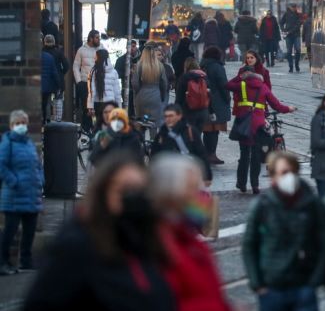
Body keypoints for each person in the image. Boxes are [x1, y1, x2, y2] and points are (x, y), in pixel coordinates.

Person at [23, 154, 175, 310]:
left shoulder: (148, 241)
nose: (132, 199)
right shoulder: (77, 245)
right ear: (103, 193)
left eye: (139, 191)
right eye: (124, 190)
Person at [242, 152, 325, 311]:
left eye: (292, 172)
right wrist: (258, 284)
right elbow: (249, 245)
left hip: (304, 287)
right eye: (283, 173)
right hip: (272, 288)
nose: (288, 177)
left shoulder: (312, 203)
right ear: (273, 177)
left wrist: (315, 280)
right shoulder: (262, 206)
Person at [149, 155, 231, 311]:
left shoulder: (194, 243)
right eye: (192, 189)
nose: (202, 198)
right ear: (169, 194)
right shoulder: (157, 246)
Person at [227, 66, 295, 194]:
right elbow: (276, 105)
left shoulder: (241, 85)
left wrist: (239, 76)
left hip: (244, 124)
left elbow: (227, 85)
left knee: (244, 155)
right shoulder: (263, 86)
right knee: (256, 156)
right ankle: (255, 185)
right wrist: (289, 109)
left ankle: (241, 183)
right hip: (258, 125)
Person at [0, 111, 42, 275]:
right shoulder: (7, 143)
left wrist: (40, 180)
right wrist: (13, 181)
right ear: (11, 126)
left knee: (29, 230)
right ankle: (3, 262)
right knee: (10, 231)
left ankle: (26, 261)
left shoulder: (29, 143)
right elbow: (2, 165)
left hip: (31, 194)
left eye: (23, 122)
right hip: (14, 195)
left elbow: (37, 164)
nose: (21, 126)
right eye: (18, 123)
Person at [151, 104, 212, 184]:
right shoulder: (162, 134)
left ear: (179, 116)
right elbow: (155, 155)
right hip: (168, 175)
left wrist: (207, 176)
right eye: (166, 116)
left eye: (171, 116)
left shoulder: (190, 131)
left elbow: (201, 153)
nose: (168, 119)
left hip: (187, 173)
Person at [200, 46, 230, 165]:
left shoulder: (202, 66)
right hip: (216, 103)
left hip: (204, 102)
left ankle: (207, 153)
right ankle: (211, 154)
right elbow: (223, 85)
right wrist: (227, 98)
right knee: (214, 130)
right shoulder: (217, 67)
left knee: (207, 130)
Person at [133, 44, 169, 136]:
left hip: (142, 96)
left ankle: (141, 145)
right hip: (155, 96)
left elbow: (135, 83)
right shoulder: (160, 66)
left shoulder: (139, 65)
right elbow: (164, 84)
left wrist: (138, 93)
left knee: (141, 124)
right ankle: (153, 145)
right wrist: (162, 96)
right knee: (154, 124)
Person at [73, 29, 104, 132]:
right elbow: (76, 66)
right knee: (86, 109)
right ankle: (86, 131)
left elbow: (106, 64)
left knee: (98, 108)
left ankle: (96, 130)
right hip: (85, 84)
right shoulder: (81, 50)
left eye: (99, 37)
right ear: (91, 38)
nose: (99, 39)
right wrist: (79, 82)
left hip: (98, 83)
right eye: (97, 37)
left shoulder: (101, 48)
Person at [87, 49, 122, 123]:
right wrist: (119, 107)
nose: (94, 58)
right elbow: (117, 92)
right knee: (110, 125)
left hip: (97, 103)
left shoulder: (94, 71)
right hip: (110, 104)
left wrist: (90, 106)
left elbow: (91, 91)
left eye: (96, 57)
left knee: (97, 125)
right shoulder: (114, 72)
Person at [42, 34, 68, 121]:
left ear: (44, 42)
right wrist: (61, 73)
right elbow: (66, 65)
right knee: (58, 100)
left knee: (47, 101)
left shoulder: (42, 52)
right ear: (54, 42)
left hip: (46, 80)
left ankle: (47, 119)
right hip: (58, 79)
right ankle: (58, 120)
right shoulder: (58, 52)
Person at [281, 3, 303, 73]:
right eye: (293, 7)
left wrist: (288, 31)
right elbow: (281, 22)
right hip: (288, 35)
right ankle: (291, 66)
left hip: (296, 34)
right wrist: (283, 30)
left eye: (295, 7)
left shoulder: (298, 14)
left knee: (298, 49)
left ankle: (296, 65)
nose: (294, 8)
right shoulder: (286, 14)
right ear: (290, 7)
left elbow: (299, 24)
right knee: (289, 51)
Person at [40, 42, 59, 124]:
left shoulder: (30, 57)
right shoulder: (49, 57)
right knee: (45, 104)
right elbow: (54, 73)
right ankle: (44, 121)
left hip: (34, 86)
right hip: (46, 86)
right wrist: (58, 85)